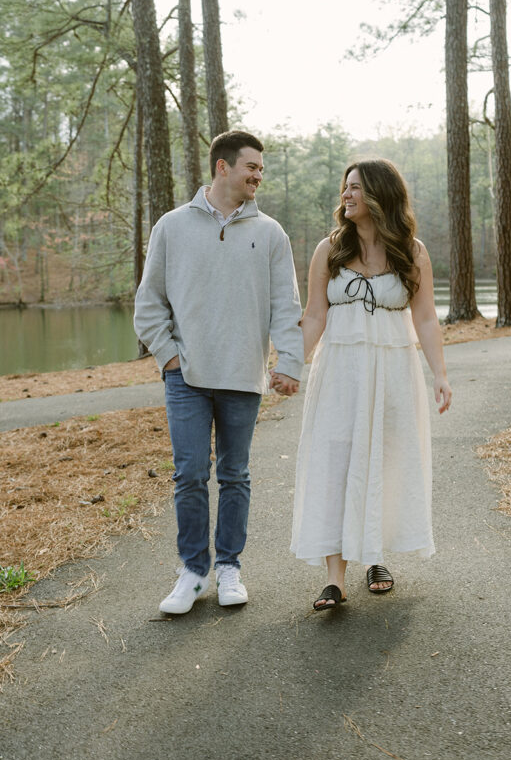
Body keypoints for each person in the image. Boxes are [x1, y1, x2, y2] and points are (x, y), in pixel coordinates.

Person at [134, 130, 303, 614]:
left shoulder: (270, 232)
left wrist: (288, 363)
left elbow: (284, 306)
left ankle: (229, 567)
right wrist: (168, 357)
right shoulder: (171, 226)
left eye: (262, 169)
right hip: (185, 377)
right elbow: (149, 303)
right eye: (252, 166)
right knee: (189, 474)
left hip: (242, 377)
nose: (258, 176)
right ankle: (192, 571)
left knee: (235, 475)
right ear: (222, 167)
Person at [286, 158, 451, 611]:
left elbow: (426, 317)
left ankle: (374, 559)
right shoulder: (329, 249)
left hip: (393, 372)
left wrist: (440, 374)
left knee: (384, 461)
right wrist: (288, 365)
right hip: (339, 373)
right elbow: (315, 315)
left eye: (356, 187)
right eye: (346, 186)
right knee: (334, 463)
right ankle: (334, 580)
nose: (347, 194)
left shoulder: (411, 251)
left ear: (380, 194)